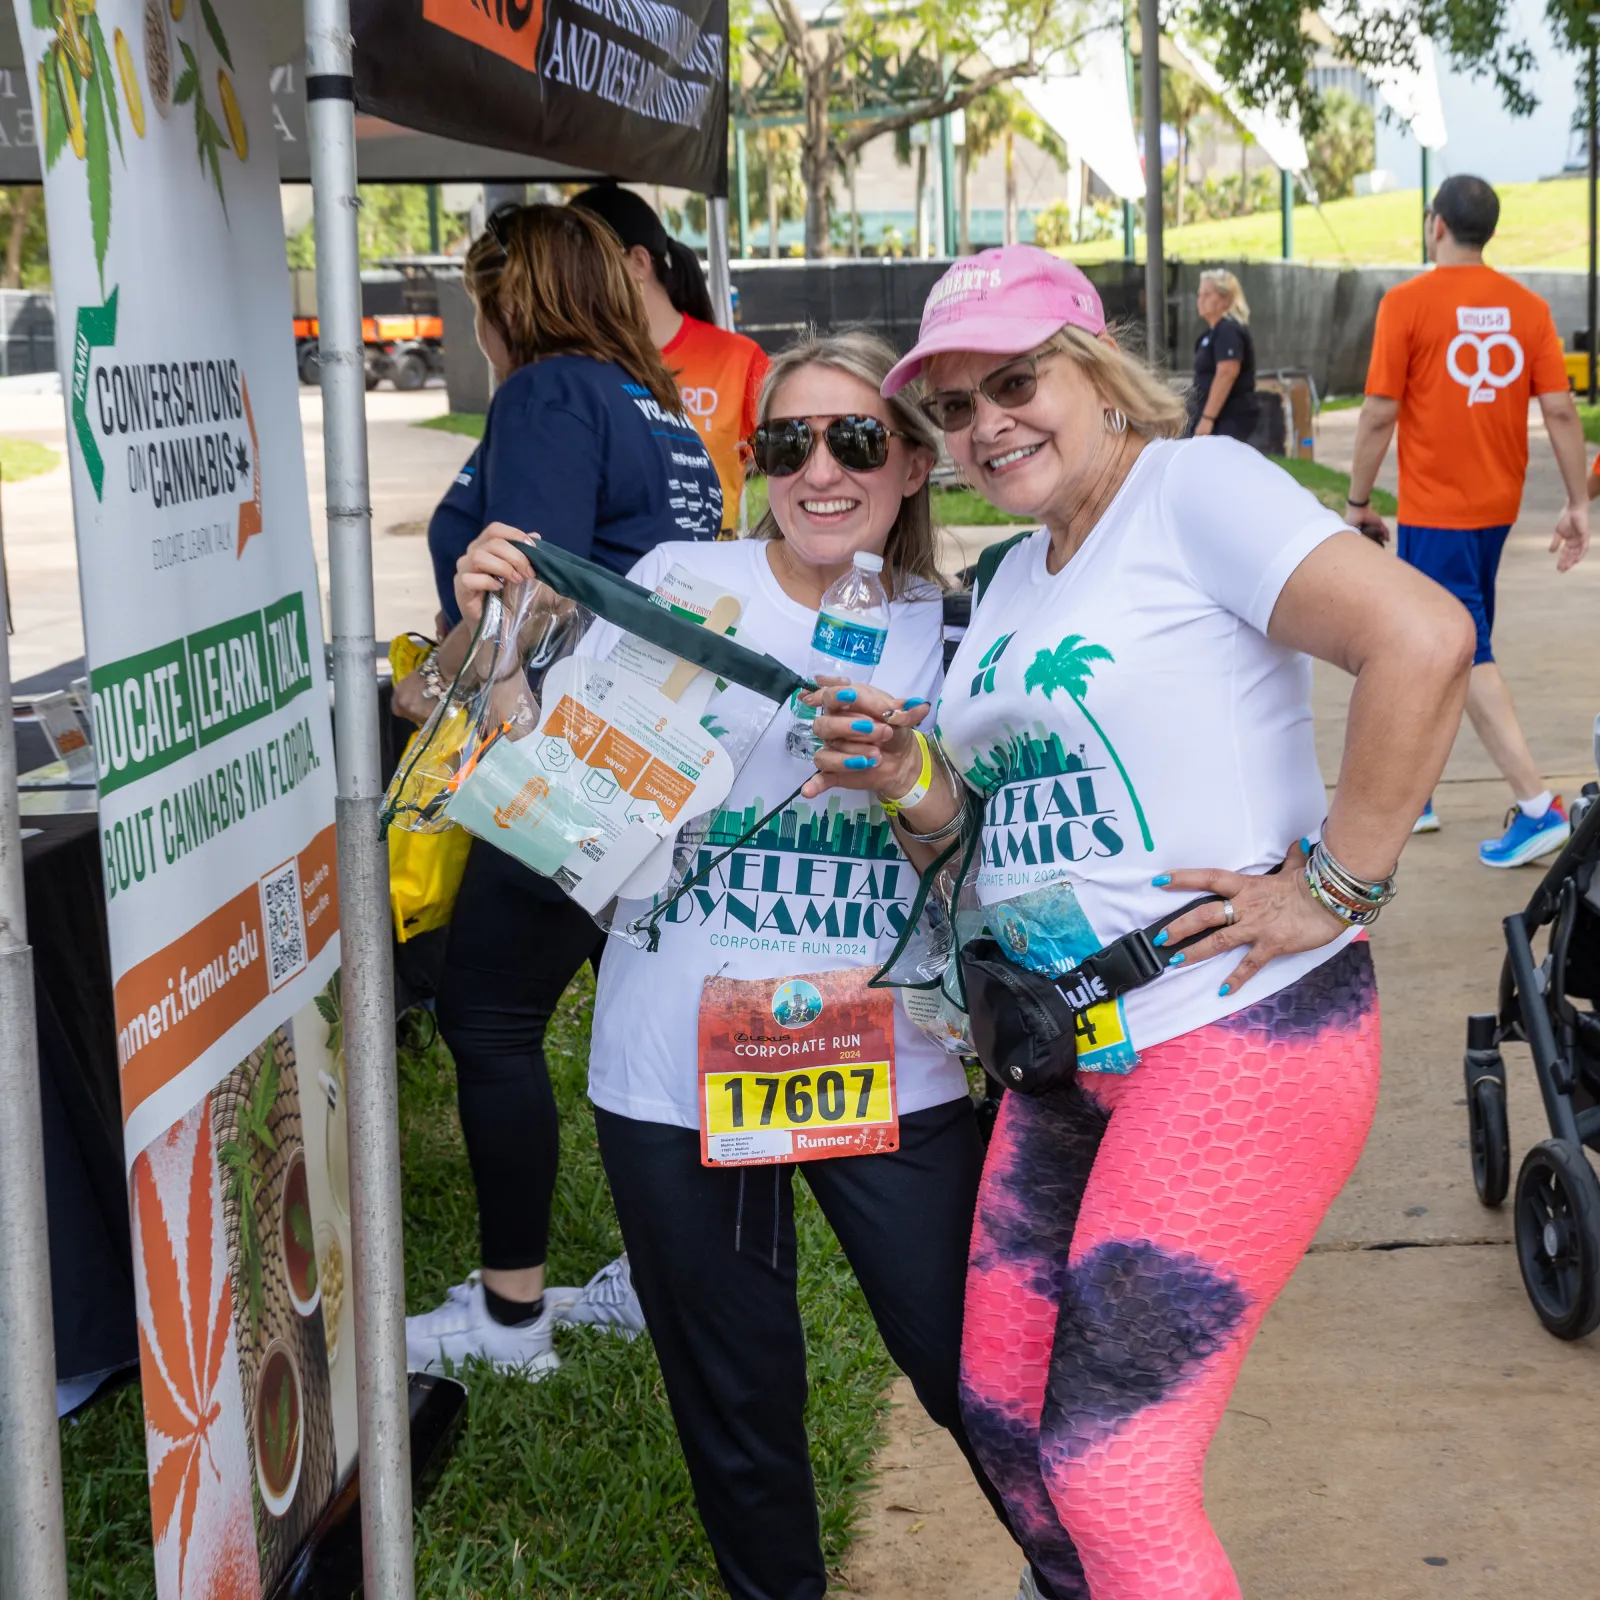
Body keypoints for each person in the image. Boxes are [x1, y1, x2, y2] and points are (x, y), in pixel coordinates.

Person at [808, 246, 1475, 1600]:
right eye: (956, 406)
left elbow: (1423, 637)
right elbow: (975, 829)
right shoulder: (1007, 583)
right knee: (1001, 1417)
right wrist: (907, 779)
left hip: (1236, 1038)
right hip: (1068, 1054)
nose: (988, 422)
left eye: (1016, 381)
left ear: (1097, 373)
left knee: (1115, 1464)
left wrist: (1339, 883)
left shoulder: (1194, 490)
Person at [454, 330, 1047, 1600]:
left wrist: (906, 778)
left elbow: (980, 852)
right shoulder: (678, 581)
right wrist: (497, 640)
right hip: (673, 1061)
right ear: (752, 460)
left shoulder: (956, 627)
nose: (820, 470)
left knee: (979, 1369)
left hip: (888, 1062)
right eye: (788, 441)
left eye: (856, 440)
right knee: (736, 1402)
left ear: (909, 466)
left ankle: (1095, 1566)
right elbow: (554, 807)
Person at [402, 203, 724, 1377]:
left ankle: (510, 1317)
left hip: (571, 755)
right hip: (651, 755)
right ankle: (661, 1278)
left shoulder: (546, 393)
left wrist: (474, 710)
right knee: (640, 1011)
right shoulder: (661, 413)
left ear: (507, 300)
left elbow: (529, 584)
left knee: (487, 1017)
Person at [1345, 174, 1590, 865]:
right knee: (1454, 646)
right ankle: (1415, 793)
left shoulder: (1408, 304)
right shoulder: (1527, 307)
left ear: (1436, 225)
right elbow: (1563, 411)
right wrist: (1577, 503)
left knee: (1465, 652)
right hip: (1493, 511)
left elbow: (1379, 414)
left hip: (1438, 510)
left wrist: (1358, 502)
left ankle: (1537, 805)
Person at [572, 184, 770, 533]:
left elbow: (799, 472)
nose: (568, 283)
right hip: (615, 578)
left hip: (709, 577)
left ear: (638, 262)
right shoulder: (579, 371)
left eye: (581, 265)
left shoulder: (737, 359)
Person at [1187, 268, 1258, 442]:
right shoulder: (1209, 335)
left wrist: (1208, 419)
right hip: (1209, 416)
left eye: (1207, 294)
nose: (1201, 300)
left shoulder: (1228, 330)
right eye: (1199, 294)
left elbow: (1227, 372)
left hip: (1228, 419)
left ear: (1226, 299)